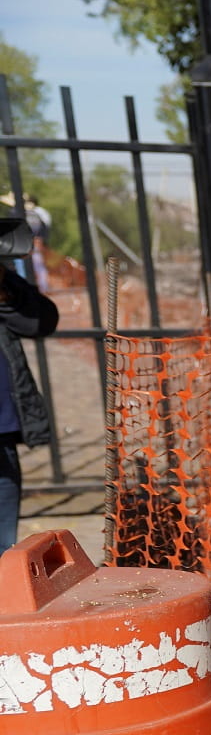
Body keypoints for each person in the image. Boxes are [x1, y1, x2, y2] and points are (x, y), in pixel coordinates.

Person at [0, 225, 57, 548]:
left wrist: (4, 289)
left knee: (4, 543)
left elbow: (40, 322)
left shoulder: (6, 280)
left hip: (2, 431)